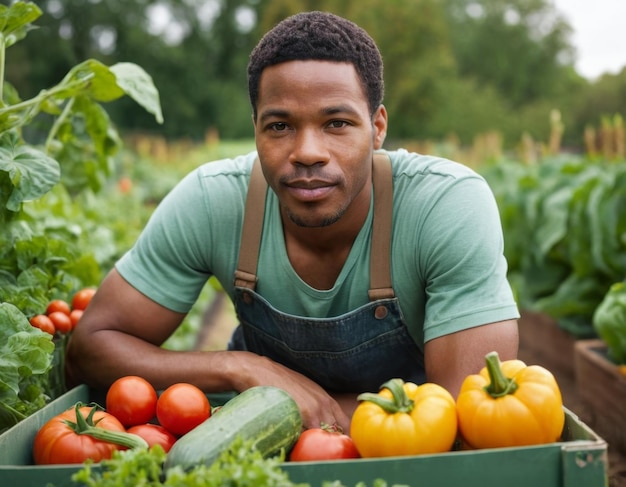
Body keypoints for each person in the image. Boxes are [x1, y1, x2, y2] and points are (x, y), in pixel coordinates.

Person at [66, 11, 519, 432]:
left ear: (377, 127)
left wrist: (312, 411)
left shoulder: (443, 204)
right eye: (280, 126)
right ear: (256, 128)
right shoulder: (214, 201)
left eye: (337, 123)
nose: (307, 152)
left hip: (414, 458)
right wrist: (243, 369)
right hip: (264, 455)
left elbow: (467, 408)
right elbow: (91, 349)